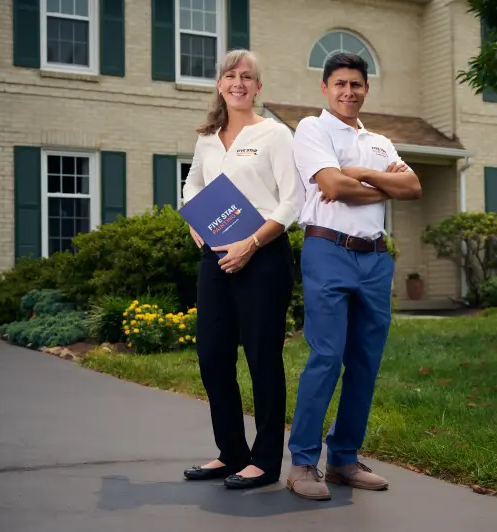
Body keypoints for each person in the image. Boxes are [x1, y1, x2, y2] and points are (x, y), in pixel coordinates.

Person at [286, 52, 423, 501]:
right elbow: (331, 186)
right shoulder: (313, 128)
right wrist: (381, 186)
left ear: (366, 89)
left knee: (365, 361)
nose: (348, 92)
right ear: (325, 88)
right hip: (328, 250)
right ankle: (304, 463)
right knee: (326, 357)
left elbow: (414, 188)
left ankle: (343, 458)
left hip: (376, 258)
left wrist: (361, 172)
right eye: (340, 84)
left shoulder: (380, 142)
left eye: (356, 84)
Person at [181, 49, 303, 490]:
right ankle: (231, 451)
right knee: (213, 356)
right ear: (220, 85)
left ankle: (266, 460)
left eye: (247, 77)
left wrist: (251, 243)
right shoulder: (208, 138)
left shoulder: (274, 135)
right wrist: (195, 218)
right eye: (231, 76)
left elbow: (292, 200)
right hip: (215, 258)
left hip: (264, 258)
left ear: (257, 87)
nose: (238, 83)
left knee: (261, 358)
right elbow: (192, 183)